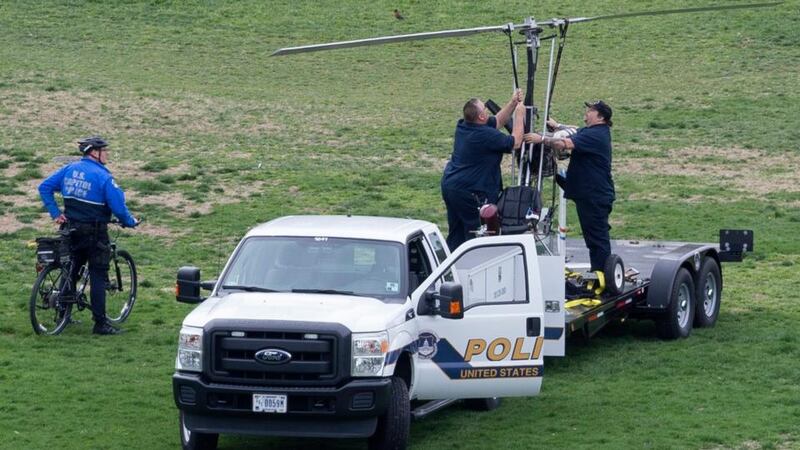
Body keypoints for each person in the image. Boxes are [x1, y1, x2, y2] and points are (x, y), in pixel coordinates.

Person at [39, 136, 139, 335]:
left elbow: (44, 187)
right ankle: (100, 323)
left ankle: (62, 314)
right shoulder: (104, 177)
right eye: (104, 151)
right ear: (95, 152)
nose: (107, 154)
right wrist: (130, 222)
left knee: (71, 269)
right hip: (94, 232)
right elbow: (118, 207)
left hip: (70, 229)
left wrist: (55, 213)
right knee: (98, 275)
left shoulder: (69, 169)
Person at [525, 101, 615, 272]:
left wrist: (542, 139)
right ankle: (599, 272)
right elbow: (575, 129)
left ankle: (603, 275)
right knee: (594, 237)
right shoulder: (595, 131)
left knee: (596, 238)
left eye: (591, 110)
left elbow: (563, 144)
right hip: (592, 193)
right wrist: (557, 126)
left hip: (593, 195)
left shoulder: (594, 135)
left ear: (600, 117)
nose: (587, 112)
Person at [441, 90, 525, 251]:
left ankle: (452, 266)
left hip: (451, 187)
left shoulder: (463, 125)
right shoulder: (484, 136)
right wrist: (519, 115)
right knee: (477, 232)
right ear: (480, 117)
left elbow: (497, 122)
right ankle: (475, 263)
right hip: (471, 192)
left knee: (457, 231)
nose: (487, 111)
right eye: (485, 110)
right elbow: (515, 142)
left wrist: (513, 103)